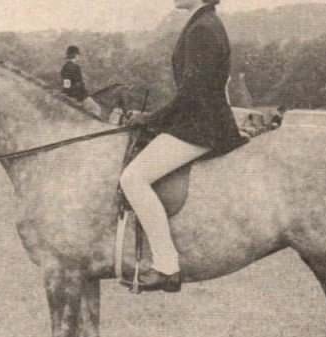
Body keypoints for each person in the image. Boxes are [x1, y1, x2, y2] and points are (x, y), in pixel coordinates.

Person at [120, 0, 246, 292]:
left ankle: (166, 266)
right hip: (199, 121)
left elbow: (192, 92)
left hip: (201, 126)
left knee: (133, 178)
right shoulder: (203, 23)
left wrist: (150, 119)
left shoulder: (202, 29)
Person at [60, 45, 102, 117]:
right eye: (78, 55)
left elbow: (66, 82)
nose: (78, 57)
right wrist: (84, 94)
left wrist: (65, 93)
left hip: (69, 94)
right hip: (78, 96)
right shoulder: (76, 67)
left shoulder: (64, 67)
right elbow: (78, 84)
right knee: (96, 109)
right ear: (75, 55)